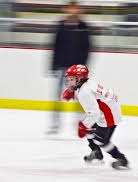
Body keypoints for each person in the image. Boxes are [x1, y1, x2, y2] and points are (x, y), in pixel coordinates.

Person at [61, 64, 129, 169]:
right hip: (108, 109)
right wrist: (72, 93)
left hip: (109, 115)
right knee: (89, 129)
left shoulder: (84, 92)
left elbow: (94, 113)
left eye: (71, 79)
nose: (68, 82)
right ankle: (96, 152)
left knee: (100, 140)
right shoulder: (86, 84)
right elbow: (93, 98)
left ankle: (121, 159)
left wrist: (83, 126)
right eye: (68, 79)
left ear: (79, 79)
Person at [48, 0, 91, 134]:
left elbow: (87, 47)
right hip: (62, 67)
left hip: (77, 69)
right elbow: (55, 46)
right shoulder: (61, 25)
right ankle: (55, 125)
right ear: (66, 9)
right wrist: (53, 65)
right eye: (70, 8)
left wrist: (83, 67)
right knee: (58, 96)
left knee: (80, 97)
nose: (73, 11)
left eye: (75, 8)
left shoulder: (83, 26)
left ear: (79, 10)